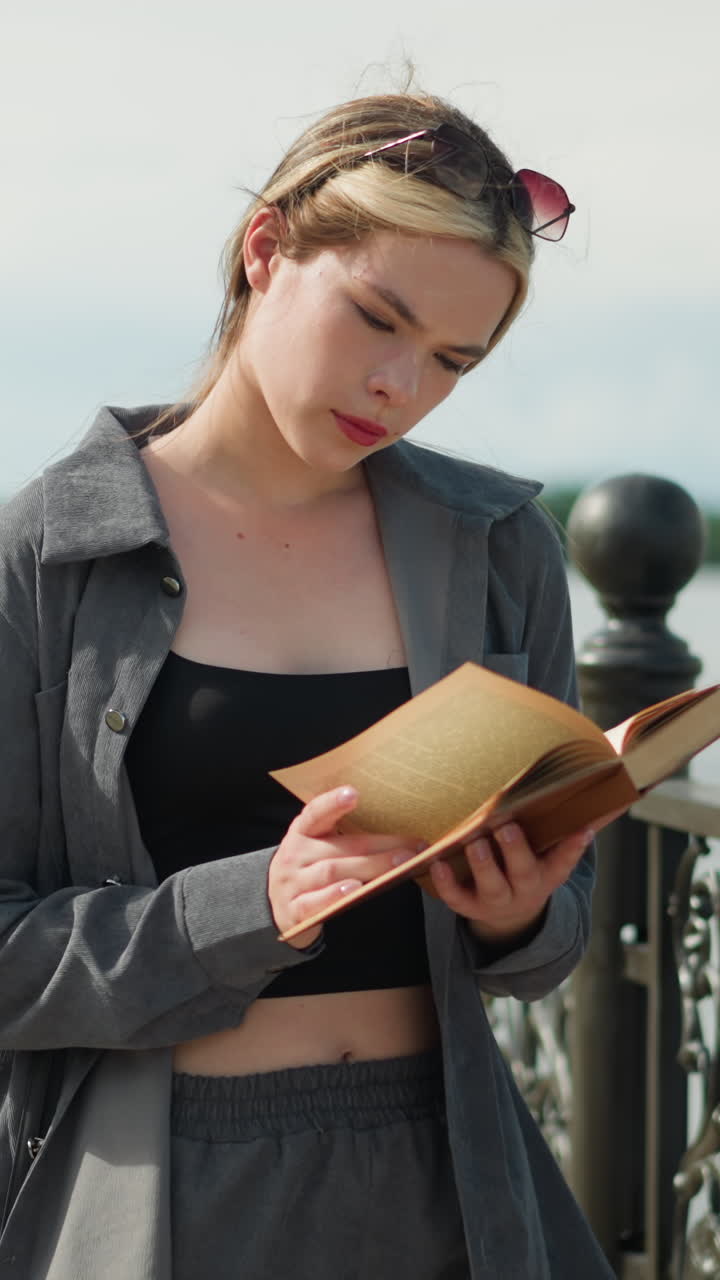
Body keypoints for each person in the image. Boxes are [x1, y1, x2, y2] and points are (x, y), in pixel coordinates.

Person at [0, 90, 614, 1279]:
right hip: (168, 1193)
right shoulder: (51, 554)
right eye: (376, 318)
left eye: (452, 360)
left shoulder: (499, 546)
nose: (401, 386)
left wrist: (519, 910)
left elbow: (557, 944)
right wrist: (242, 908)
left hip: (452, 1180)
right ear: (267, 249)